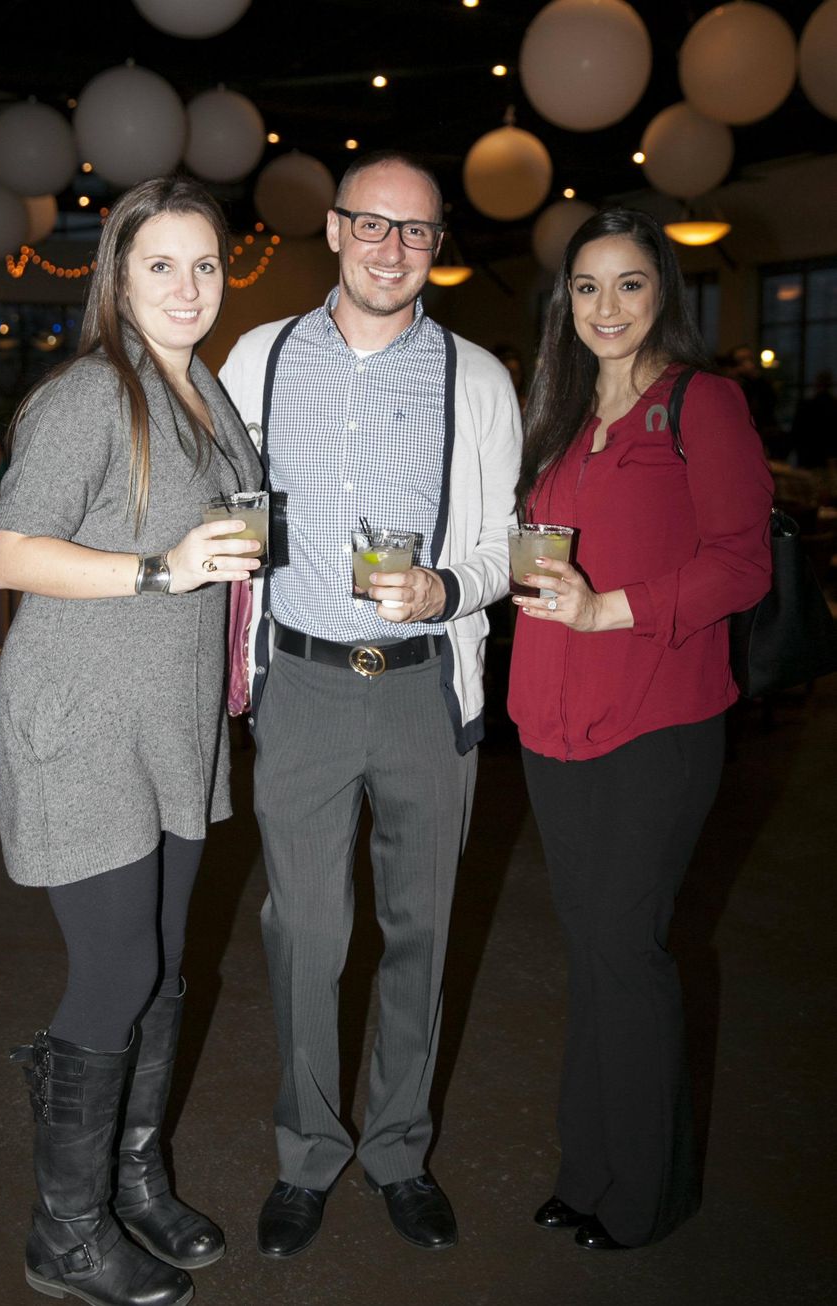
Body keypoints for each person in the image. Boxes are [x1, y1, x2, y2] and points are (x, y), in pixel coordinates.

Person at [220, 151, 521, 1258]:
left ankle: (397, 1147)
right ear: (336, 231)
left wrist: (449, 585)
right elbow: (224, 502)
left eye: (417, 233)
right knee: (303, 929)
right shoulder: (258, 357)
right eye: (373, 226)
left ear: (436, 250)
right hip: (299, 679)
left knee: (422, 929)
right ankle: (307, 1151)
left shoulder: (476, 379)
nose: (392, 249)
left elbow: (495, 544)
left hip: (418, 688)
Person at [0, 175, 262, 1306]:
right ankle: (65, 1228)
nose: (188, 286)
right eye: (162, 264)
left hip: (174, 723)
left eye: (204, 264)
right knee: (116, 970)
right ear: (118, 275)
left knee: (159, 970)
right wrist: (161, 567)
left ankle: (133, 1180)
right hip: (86, 718)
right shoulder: (91, 397)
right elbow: (10, 554)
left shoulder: (202, 392)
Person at [507, 208, 772, 1251]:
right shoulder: (562, 414)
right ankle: (588, 1169)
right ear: (561, 302)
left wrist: (603, 607)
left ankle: (646, 1189)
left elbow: (740, 563)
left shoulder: (700, 405)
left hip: (655, 716)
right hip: (550, 718)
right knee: (593, 952)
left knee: (627, 947)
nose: (604, 307)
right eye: (584, 287)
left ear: (661, 290)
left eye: (626, 284)